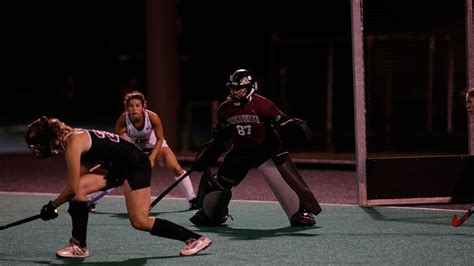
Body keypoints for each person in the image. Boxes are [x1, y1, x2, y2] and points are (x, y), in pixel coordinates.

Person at [25, 116, 211, 258]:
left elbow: (72, 187)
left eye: (38, 145)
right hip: (119, 167)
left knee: (139, 221)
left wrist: (53, 205)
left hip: (135, 165)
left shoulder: (72, 142)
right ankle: (78, 245)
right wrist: (64, 203)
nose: (38, 150)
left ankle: (195, 239)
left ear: (48, 139)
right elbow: (81, 176)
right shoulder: (75, 137)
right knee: (80, 189)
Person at [188, 68, 322, 227]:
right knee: (221, 180)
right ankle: (211, 213)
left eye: (240, 89)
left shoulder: (264, 105)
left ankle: (299, 212)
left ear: (251, 87)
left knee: (277, 178)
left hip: (264, 149)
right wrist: (208, 154)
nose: (236, 92)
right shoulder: (225, 109)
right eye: (233, 89)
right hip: (240, 150)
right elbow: (221, 135)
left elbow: (282, 122)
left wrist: (291, 128)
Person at [88, 91, 197, 211]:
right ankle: (91, 201)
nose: (134, 109)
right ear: (127, 108)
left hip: (155, 144)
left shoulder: (153, 117)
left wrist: (151, 158)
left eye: (137, 106)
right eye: (131, 106)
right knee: (118, 174)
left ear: (143, 107)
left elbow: (160, 139)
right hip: (134, 148)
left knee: (175, 167)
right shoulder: (122, 121)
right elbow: (120, 144)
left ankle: (192, 200)